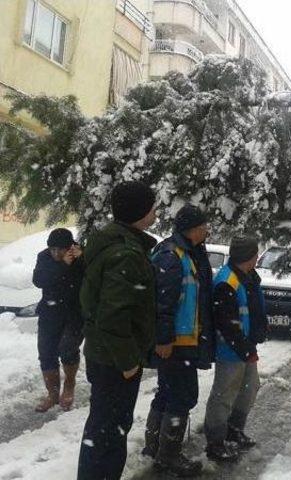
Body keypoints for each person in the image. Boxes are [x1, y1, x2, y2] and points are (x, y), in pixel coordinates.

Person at [77, 181, 157, 480]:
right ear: (140, 212)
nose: (155, 212)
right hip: (114, 359)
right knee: (109, 433)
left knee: (102, 429)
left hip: (104, 354)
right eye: (151, 206)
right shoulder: (126, 253)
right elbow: (113, 315)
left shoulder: (113, 242)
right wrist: (128, 362)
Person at [142, 204, 214, 477]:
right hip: (175, 342)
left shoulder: (190, 253)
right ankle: (168, 455)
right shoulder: (173, 256)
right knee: (182, 396)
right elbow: (163, 302)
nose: (207, 230)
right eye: (204, 226)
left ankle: (154, 447)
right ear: (193, 229)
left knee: (168, 392)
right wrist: (163, 339)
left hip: (183, 340)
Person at [204, 236, 268, 462]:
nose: (257, 258)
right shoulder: (226, 281)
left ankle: (234, 430)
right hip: (231, 349)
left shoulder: (248, 277)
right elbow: (226, 323)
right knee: (224, 394)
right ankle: (215, 442)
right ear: (248, 256)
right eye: (255, 254)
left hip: (245, 346)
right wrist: (244, 347)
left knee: (249, 389)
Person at [32, 228, 84, 412]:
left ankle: (69, 385)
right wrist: (62, 265)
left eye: (59, 249)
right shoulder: (44, 257)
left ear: (70, 247)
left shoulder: (81, 256)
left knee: (68, 348)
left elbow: (92, 277)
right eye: (52, 249)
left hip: (74, 313)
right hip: (50, 311)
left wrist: (82, 260)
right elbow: (39, 280)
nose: (55, 253)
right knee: (46, 352)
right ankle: (52, 394)